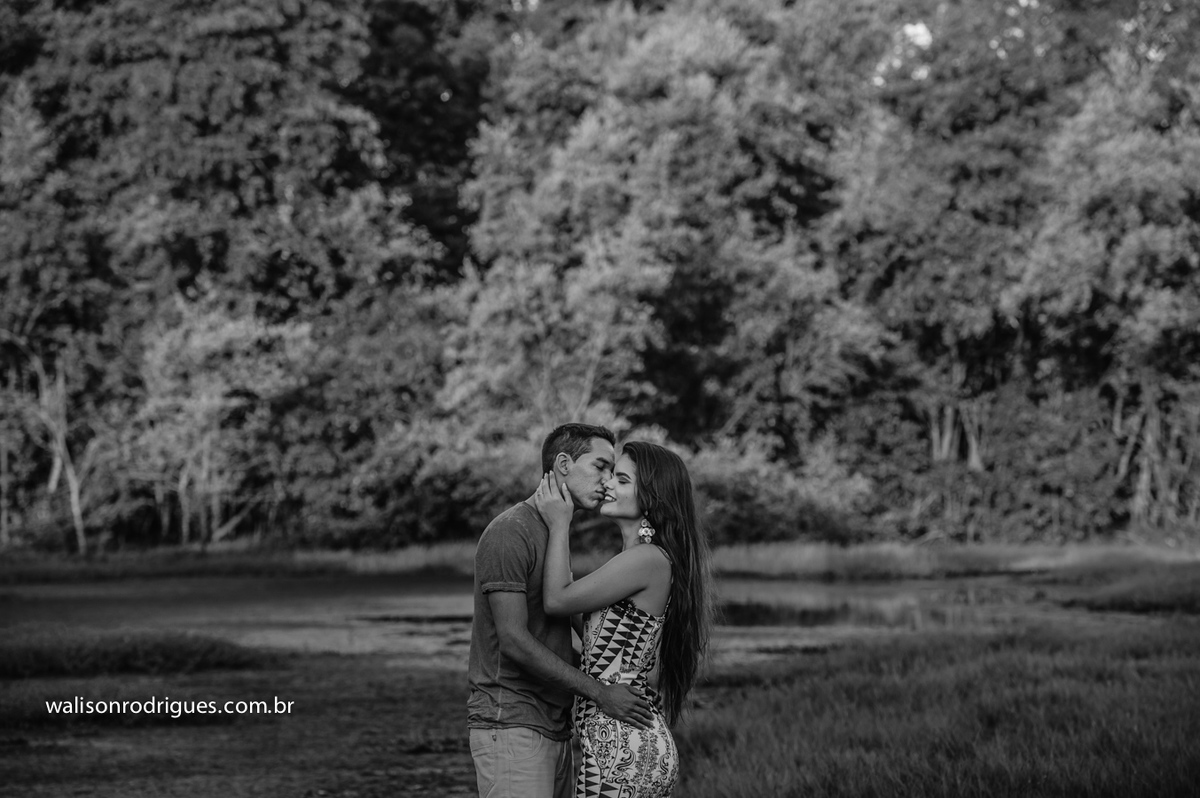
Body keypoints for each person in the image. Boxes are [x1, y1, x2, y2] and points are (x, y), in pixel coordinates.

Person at [468, 423, 657, 798]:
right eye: (600, 466)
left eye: (614, 472)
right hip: (511, 723)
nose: (607, 480)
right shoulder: (510, 531)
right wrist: (600, 692)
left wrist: (622, 676)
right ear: (563, 464)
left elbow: (552, 633)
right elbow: (514, 641)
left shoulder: (555, 530)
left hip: (555, 725)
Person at [534, 440, 712, 798]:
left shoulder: (644, 559)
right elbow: (598, 639)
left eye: (622, 480)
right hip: (627, 740)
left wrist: (559, 525)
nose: (608, 485)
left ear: (651, 497)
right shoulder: (641, 559)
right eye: (612, 475)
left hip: (619, 745)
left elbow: (556, 600)